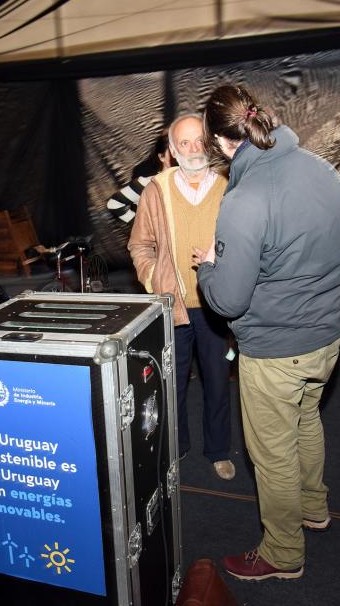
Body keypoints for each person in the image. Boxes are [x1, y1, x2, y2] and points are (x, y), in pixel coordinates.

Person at [194, 84, 340, 581]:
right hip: (327, 335)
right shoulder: (321, 169)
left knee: (272, 454)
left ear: (221, 140)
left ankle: (282, 553)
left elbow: (228, 300)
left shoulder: (246, 198)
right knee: (307, 421)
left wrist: (208, 268)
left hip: (277, 346)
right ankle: (314, 507)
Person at [128, 114, 235, 480]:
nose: (193, 149)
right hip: (172, 308)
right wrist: (153, 277)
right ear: (172, 150)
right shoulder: (155, 190)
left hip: (217, 306)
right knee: (170, 386)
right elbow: (139, 244)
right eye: (184, 143)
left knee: (219, 383)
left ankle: (219, 450)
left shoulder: (229, 184)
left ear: (210, 144)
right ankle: (176, 448)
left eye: (198, 141)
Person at [107, 133, 173, 223]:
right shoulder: (149, 182)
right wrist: (140, 225)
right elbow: (114, 204)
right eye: (172, 151)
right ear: (161, 157)